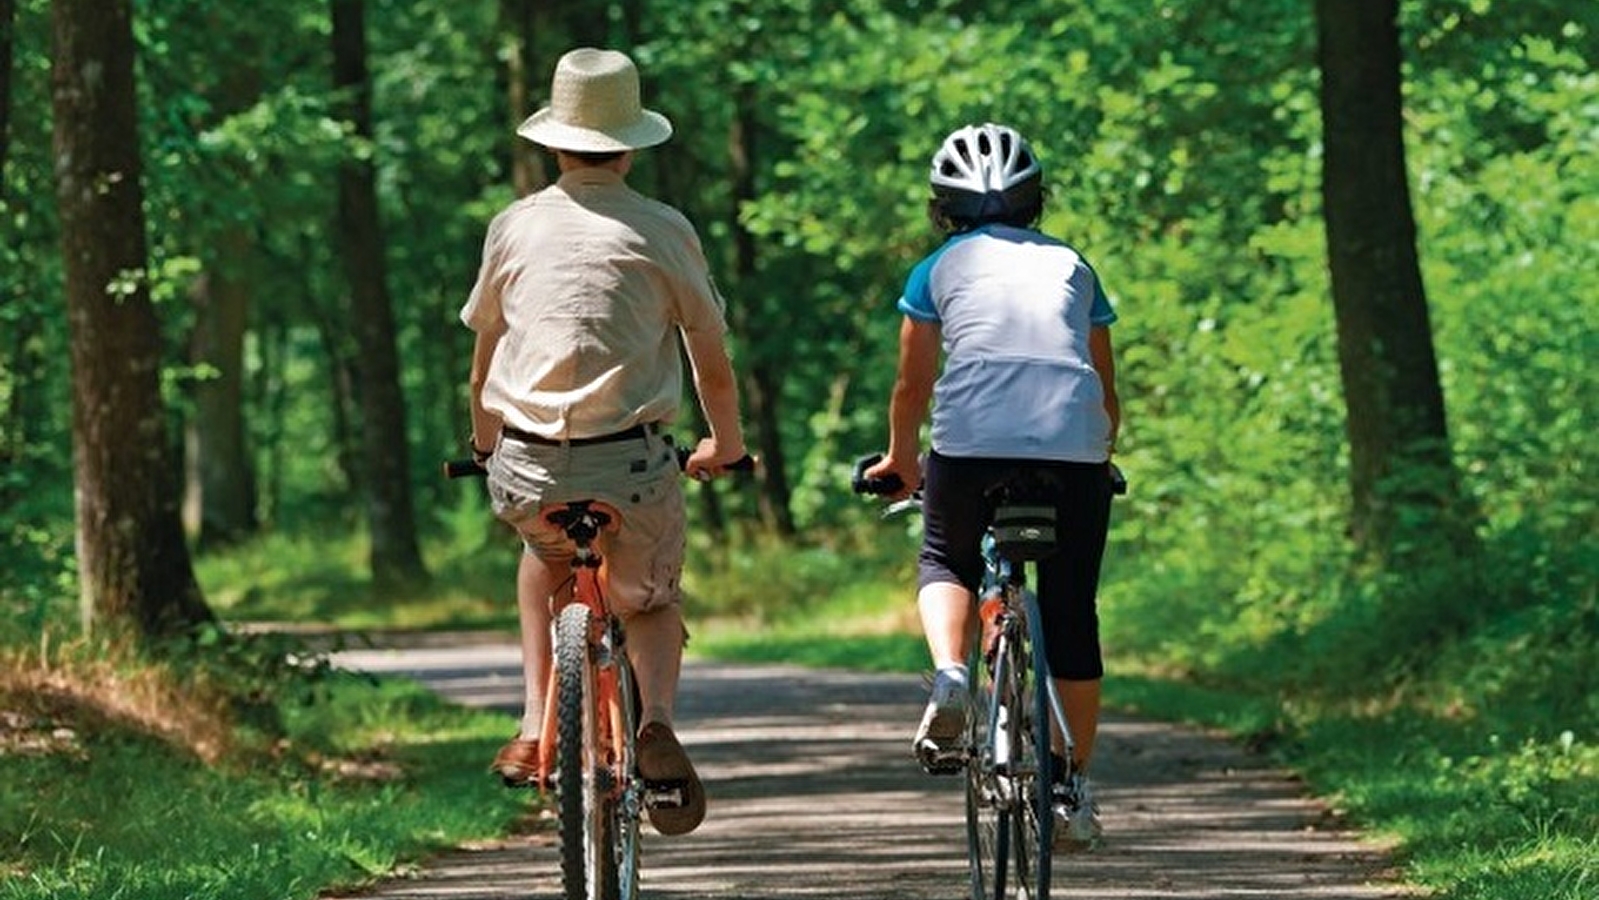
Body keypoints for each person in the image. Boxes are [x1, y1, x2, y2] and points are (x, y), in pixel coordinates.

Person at [460, 47, 747, 837]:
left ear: (555, 144)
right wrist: (724, 446)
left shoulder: (514, 225)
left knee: (544, 555)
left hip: (527, 460)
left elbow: (483, 362)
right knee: (649, 599)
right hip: (633, 460)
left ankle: (531, 724)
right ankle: (655, 723)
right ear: (630, 147)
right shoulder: (664, 227)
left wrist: (485, 447)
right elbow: (711, 363)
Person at [862, 122, 1121, 848]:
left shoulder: (935, 270)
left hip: (971, 448)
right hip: (1073, 449)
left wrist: (900, 462)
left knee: (946, 558)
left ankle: (952, 673)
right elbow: (1104, 388)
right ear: (1036, 201)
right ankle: (1068, 789)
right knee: (1070, 610)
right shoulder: (1074, 266)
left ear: (941, 207)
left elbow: (911, 388)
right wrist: (1099, 456)